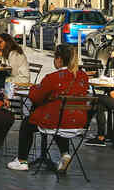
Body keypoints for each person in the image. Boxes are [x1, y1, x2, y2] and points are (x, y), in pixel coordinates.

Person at [7, 44, 89, 173]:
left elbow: (36, 96)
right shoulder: (83, 76)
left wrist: (33, 88)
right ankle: (64, 154)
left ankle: (22, 160)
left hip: (55, 120)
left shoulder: (53, 78)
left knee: (27, 124)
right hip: (78, 121)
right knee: (59, 122)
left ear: (59, 59)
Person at [0, 32, 29, 98]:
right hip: (17, 77)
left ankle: (2, 100)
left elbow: (13, 72)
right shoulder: (10, 52)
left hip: (22, 78)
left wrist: (0, 57)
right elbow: (5, 66)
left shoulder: (14, 53)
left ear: (7, 42)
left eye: (0, 42)